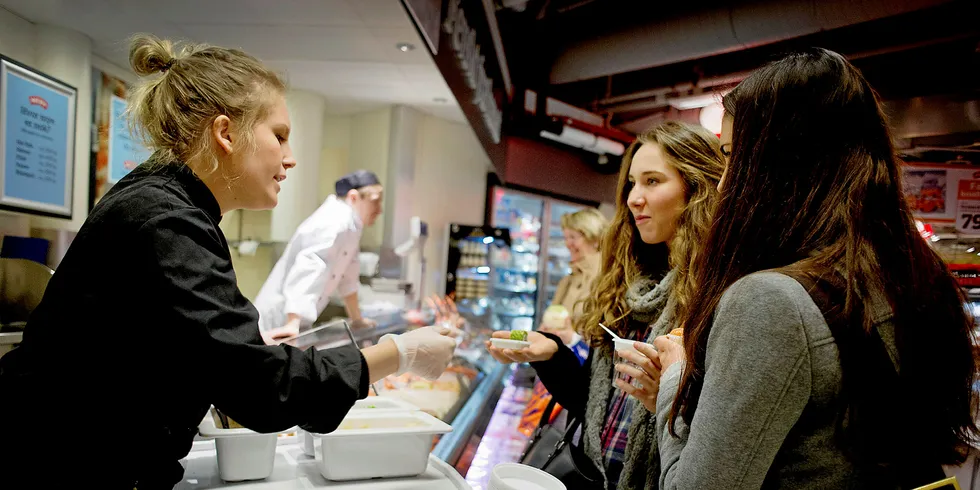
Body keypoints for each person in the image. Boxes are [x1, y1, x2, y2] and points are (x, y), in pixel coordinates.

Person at [0, 35, 456, 488]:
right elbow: (263, 391)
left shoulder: (163, 200)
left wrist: (241, 345)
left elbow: (175, 348)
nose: (290, 158)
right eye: (279, 136)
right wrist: (401, 353)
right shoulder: (168, 220)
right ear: (225, 133)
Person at [651, 48, 979, 489]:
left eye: (731, 155)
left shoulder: (769, 303)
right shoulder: (914, 275)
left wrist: (673, 378)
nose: (724, 181)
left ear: (780, 165)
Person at [487, 121, 725, 490]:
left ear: (695, 188)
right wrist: (551, 354)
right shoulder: (628, 288)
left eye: (652, 181)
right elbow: (597, 406)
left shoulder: (717, 295)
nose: (632, 197)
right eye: (631, 183)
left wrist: (664, 402)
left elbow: (727, 443)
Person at [254, 170, 384, 344]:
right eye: (375, 202)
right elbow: (310, 265)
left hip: (297, 321)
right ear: (353, 197)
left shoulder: (352, 225)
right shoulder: (335, 219)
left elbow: (348, 278)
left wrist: (356, 319)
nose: (379, 210)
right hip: (280, 319)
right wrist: (292, 322)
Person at [539, 207, 608, 354]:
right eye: (566, 237)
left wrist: (572, 338)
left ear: (594, 238)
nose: (568, 244)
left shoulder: (607, 279)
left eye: (573, 237)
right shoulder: (567, 280)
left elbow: (604, 341)